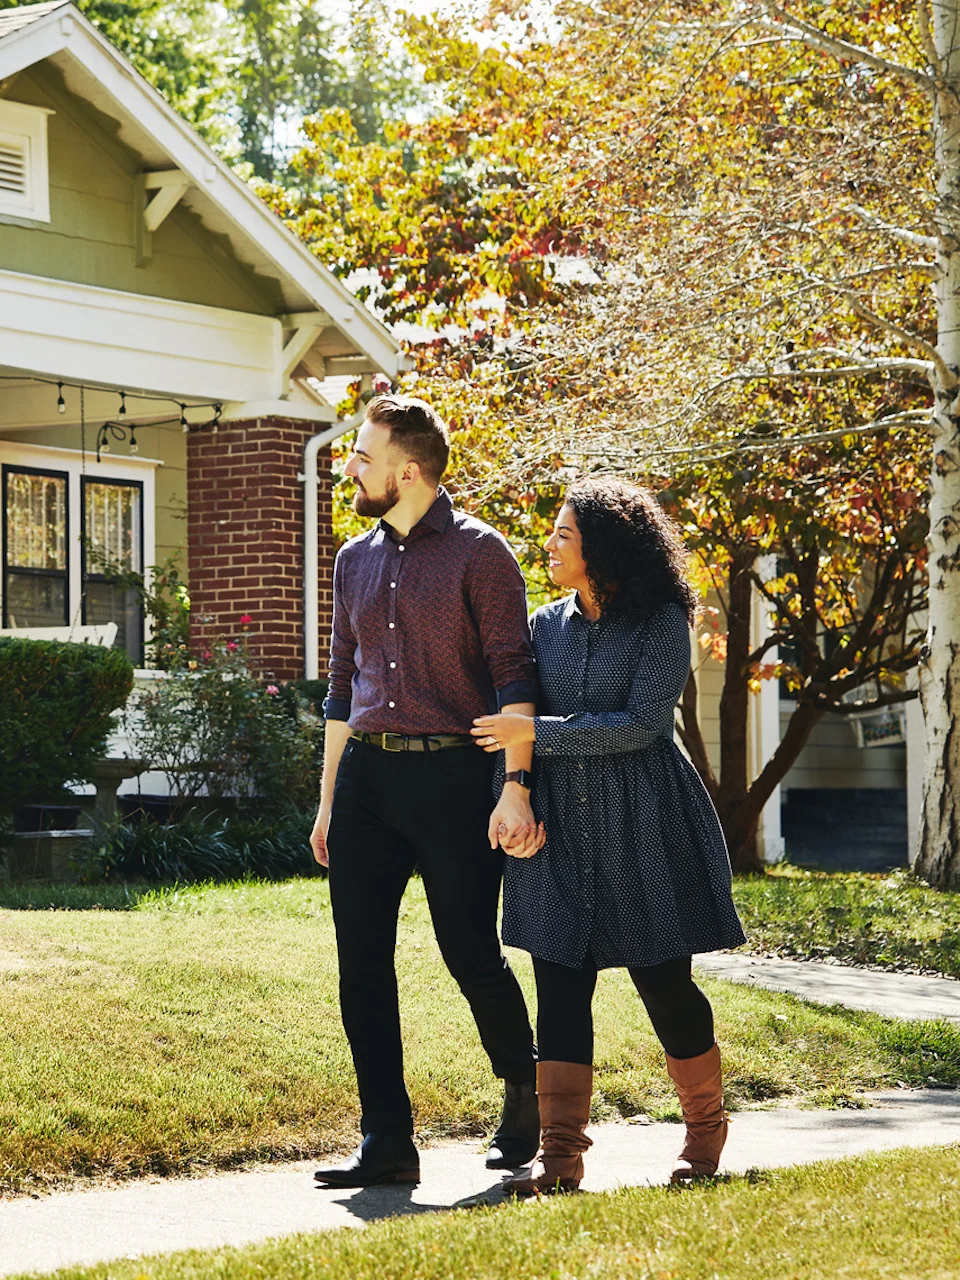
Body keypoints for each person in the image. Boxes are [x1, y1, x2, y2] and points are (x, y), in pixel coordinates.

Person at [472, 476, 747, 1194]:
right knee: (560, 986)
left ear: (605, 549)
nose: (550, 544)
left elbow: (640, 725)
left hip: (645, 823)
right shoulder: (542, 627)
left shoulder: (661, 622)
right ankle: (559, 1163)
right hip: (558, 832)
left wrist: (535, 733)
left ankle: (705, 1138)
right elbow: (513, 722)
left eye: (564, 534)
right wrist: (517, 795)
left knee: (665, 983)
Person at [310, 394, 542, 1189]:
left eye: (363, 457)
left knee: (470, 953)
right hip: (369, 778)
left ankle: (522, 1086)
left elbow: (515, 675)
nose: (352, 469)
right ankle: (386, 1139)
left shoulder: (483, 554)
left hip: (453, 778)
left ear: (407, 471)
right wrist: (329, 798)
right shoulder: (353, 559)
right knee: (360, 962)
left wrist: (514, 788)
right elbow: (342, 686)